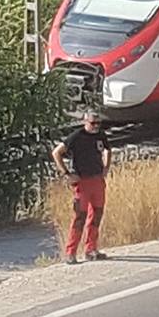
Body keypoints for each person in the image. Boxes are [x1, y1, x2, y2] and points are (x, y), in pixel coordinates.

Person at [50, 111, 111, 264]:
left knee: (96, 215)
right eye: (92, 123)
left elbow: (107, 149)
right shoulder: (77, 136)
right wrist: (67, 173)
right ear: (85, 122)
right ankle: (70, 253)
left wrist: (106, 167)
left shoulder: (100, 135)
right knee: (80, 218)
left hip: (97, 180)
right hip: (82, 182)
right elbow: (56, 152)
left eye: (98, 123)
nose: (96, 126)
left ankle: (91, 249)